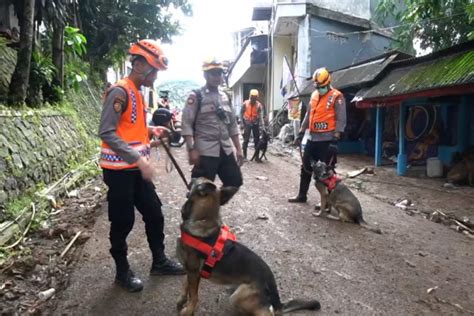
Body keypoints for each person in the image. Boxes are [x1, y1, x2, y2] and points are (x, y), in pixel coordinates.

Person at [98, 39, 184, 293]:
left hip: (136, 170)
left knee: (154, 213)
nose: (156, 75)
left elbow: (129, 129)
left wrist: (151, 131)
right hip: (118, 172)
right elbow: (107, 132)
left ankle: (159, 261)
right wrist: (138, 160)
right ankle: (122, 271)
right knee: (122, 221)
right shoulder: (119, 91)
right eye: (154, 69)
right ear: (138, 64)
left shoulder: (137, 93)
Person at [181, 57, 244, 192]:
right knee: (201, 189)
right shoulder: (196, 96)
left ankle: (212, 205)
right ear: (205, 75)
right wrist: (191, 149)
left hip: (225, 149)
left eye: (219, 73)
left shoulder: (225, 96)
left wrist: (238, 149)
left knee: (235, 182)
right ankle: (191, 211)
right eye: (212, 73)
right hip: (205, 151)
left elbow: (232, 124)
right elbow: (186, 124)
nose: (216, 76)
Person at [288, 67, 347, 203]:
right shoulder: (314, 95)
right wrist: (301, 132)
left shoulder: (337, 96)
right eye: (317, 86)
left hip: (327, 140)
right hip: (313, 138)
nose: (319, 88)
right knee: (306, 167)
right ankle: (302, 195)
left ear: (327, 82)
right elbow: (309, 115)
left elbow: (341, 119)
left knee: (326, 171)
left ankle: (327, 201)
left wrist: (335, 140)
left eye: (322, 86)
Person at [240, 89, 265, 160]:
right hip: (247, 123)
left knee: (256, 140)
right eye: (252, 97)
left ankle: (256, 156)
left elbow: (261, 116)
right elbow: (241, 113)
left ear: (257, 97)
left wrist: (262, 126)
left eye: (255, 97)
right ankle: (244, 156)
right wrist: (241, 123)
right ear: (250, 97)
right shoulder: (245, 104)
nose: (253, 99)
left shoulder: (259, 105)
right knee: (246, 140)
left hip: (255, 123)